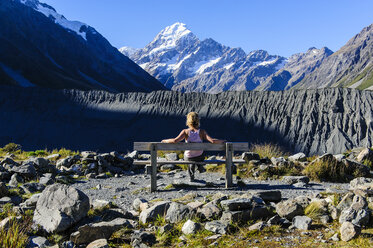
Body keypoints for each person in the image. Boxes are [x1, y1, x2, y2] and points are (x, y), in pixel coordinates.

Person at [161, 112, 225, 181]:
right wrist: (223, 141)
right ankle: (200, 166)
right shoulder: (202, 132)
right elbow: (212, 141)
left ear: (188, 121)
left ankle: (191, 176)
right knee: (199, 154)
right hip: (199, 157)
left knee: (188, 157)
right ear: (198, 121)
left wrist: (164, 141)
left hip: (189, 157)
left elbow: (175, 140)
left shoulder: (185, 131)